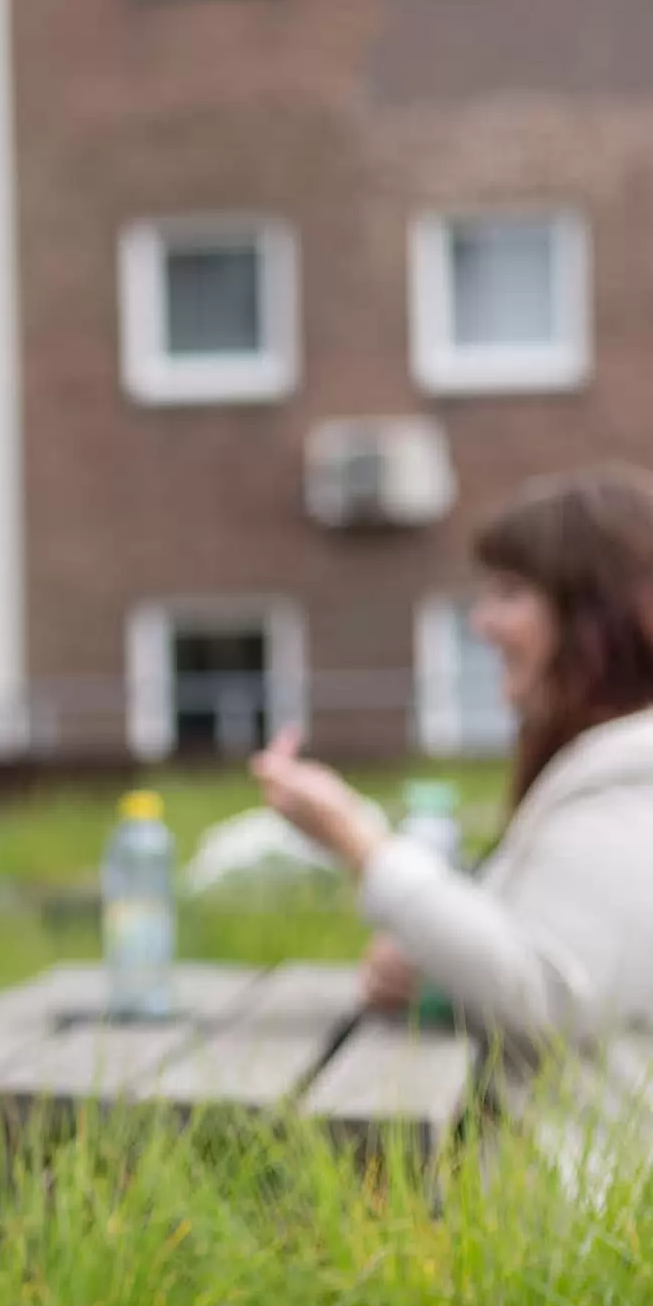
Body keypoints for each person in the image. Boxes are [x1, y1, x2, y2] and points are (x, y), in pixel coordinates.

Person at [253, 466, 653, 1109]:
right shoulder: (614, 764)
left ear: (596, 614)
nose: (482, 622)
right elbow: (564, 965)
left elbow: (543, 997)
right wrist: (440, 975)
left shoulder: (635, 775)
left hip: (572, 1168)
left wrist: (360, 843)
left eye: (511, 592)